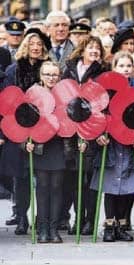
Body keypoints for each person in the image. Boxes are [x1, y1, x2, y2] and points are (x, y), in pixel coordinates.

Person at [90, 51, 134, 242]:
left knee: (128, 187)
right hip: (111, 143)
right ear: (114, 68)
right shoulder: (104, 88)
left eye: (128, 65)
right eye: (121, 66)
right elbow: (96, 113)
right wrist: (99, 136)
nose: (125, 69)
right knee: (111, 186)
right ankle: (109, 225)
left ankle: (122, 225)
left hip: (130, 142)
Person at [3, 30, 50, 235]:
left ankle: (42, 219)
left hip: (44, 126)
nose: (36, 47)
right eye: (32, 43)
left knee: (42, 176)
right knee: (21, 177)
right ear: (25, 45)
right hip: (17, 126)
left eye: (39, 43)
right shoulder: (13, 70)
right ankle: (22, 217)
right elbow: (6, 100)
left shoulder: (47, 69)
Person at [61, 36, 109, 235]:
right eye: (91, 47)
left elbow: (108, 102)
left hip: (93, 130)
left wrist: (102, 130)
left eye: (98, 48)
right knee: (74, 178)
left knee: (90, 178)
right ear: (82, 50)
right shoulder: (70, 70)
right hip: (71, 130)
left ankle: (90, 220)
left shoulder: (104, 72)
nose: (95, 50)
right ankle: (77, 218)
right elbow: (62, 96)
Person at [25, 61, 66, 243]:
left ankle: (53, 229)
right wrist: (26, 142)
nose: (51, 78)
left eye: (55, 75)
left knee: (57, 188)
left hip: (59, 145)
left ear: (60, 76)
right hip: (41, 146)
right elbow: (23, 121)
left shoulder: (65, 95)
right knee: (42, 188)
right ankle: (42, 228)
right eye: (47, 74)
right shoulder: (33, 94)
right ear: (41, 76)